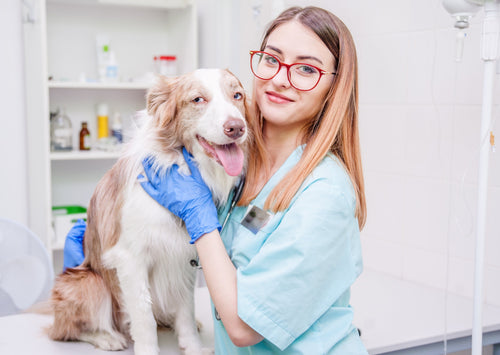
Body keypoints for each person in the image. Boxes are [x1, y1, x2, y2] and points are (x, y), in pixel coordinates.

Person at [64, 6, 367, 354]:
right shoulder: (244, 166)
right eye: (272, 59)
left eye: (306, 69)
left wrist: (199, 219)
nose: (281, 78)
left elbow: (243, 327)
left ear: (335, 85)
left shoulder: (324, 195)